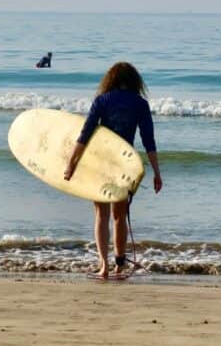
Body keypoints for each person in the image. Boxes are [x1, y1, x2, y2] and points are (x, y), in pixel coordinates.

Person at [63, 61, 162, 279]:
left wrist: (71, 164)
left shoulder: (102, 100)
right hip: (124, 165)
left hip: (101, 163)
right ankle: (119, 265)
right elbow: (149, 140)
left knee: (101, 214)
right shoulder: (140, 104)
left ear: (111, 79)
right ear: (134, 81)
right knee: (119, 216)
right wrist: (156, 172)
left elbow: (85, 134)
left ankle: (104, 266)